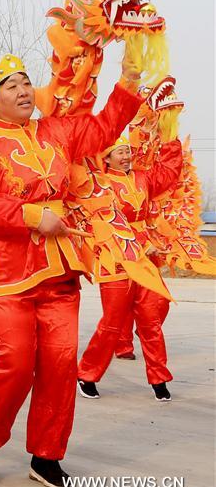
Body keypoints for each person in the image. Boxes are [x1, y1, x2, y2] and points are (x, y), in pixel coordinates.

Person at [0, 51, 143, 487]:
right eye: (11, 86)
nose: (23, 91)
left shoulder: (57, 130)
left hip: (59, 270)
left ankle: (47, 455)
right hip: (6, 272)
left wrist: (128, 83)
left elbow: (101, 129)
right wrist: (29, 215)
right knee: (14, 365)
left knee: (61, 366)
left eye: (26, 82)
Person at [77, 136, 182, 401]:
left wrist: (170, 136)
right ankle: (87, 374)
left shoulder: (143, 178)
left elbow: (169, 173)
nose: (125, 156)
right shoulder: (100, 185)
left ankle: (159, 378)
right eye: (119, 152)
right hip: (115, 258)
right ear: (107, 158)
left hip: (144, 258)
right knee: (112, 322)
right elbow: (101, 221)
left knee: (152, 317)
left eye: (127, 151)